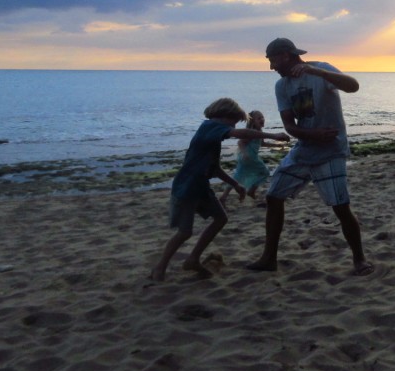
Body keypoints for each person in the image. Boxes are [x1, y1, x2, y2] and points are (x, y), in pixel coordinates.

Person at [247, 38, 374, 276]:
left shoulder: (321, 68)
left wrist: (315, 71)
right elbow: (290, 126)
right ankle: (268, 258)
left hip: (331, 152)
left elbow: (353, 86)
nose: (271, 67)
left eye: (273, 60)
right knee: (274, 197)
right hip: (303, 151)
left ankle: (359, 259)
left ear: (286, 55)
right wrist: (313, 134)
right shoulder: (282, 86)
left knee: (340, 207)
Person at [150, 98, 289, 282]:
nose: (232, 126)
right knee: (185, 232)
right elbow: (238, 133)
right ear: (224, 116)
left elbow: (214, 168)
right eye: (233, 121)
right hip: (186, 187)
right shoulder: (210, 127)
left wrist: (235, 184)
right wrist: (273, 136)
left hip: (201, 187)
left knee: (221, 218)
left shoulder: (213, 137)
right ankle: (160, 267)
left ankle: (193, 258)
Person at [220, 110, 272, 208]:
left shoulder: (259, 132)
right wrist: (245, 153)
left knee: (237, 176)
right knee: (265, 173)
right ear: (252, 122)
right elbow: (240, 142)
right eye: (259, 118)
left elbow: (263, 143)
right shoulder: (251, 133)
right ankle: (251, 191)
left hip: (247, 158)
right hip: (250, 157)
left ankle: (223, 197)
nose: (262, 119)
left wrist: (277, 145)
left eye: (262, 117)